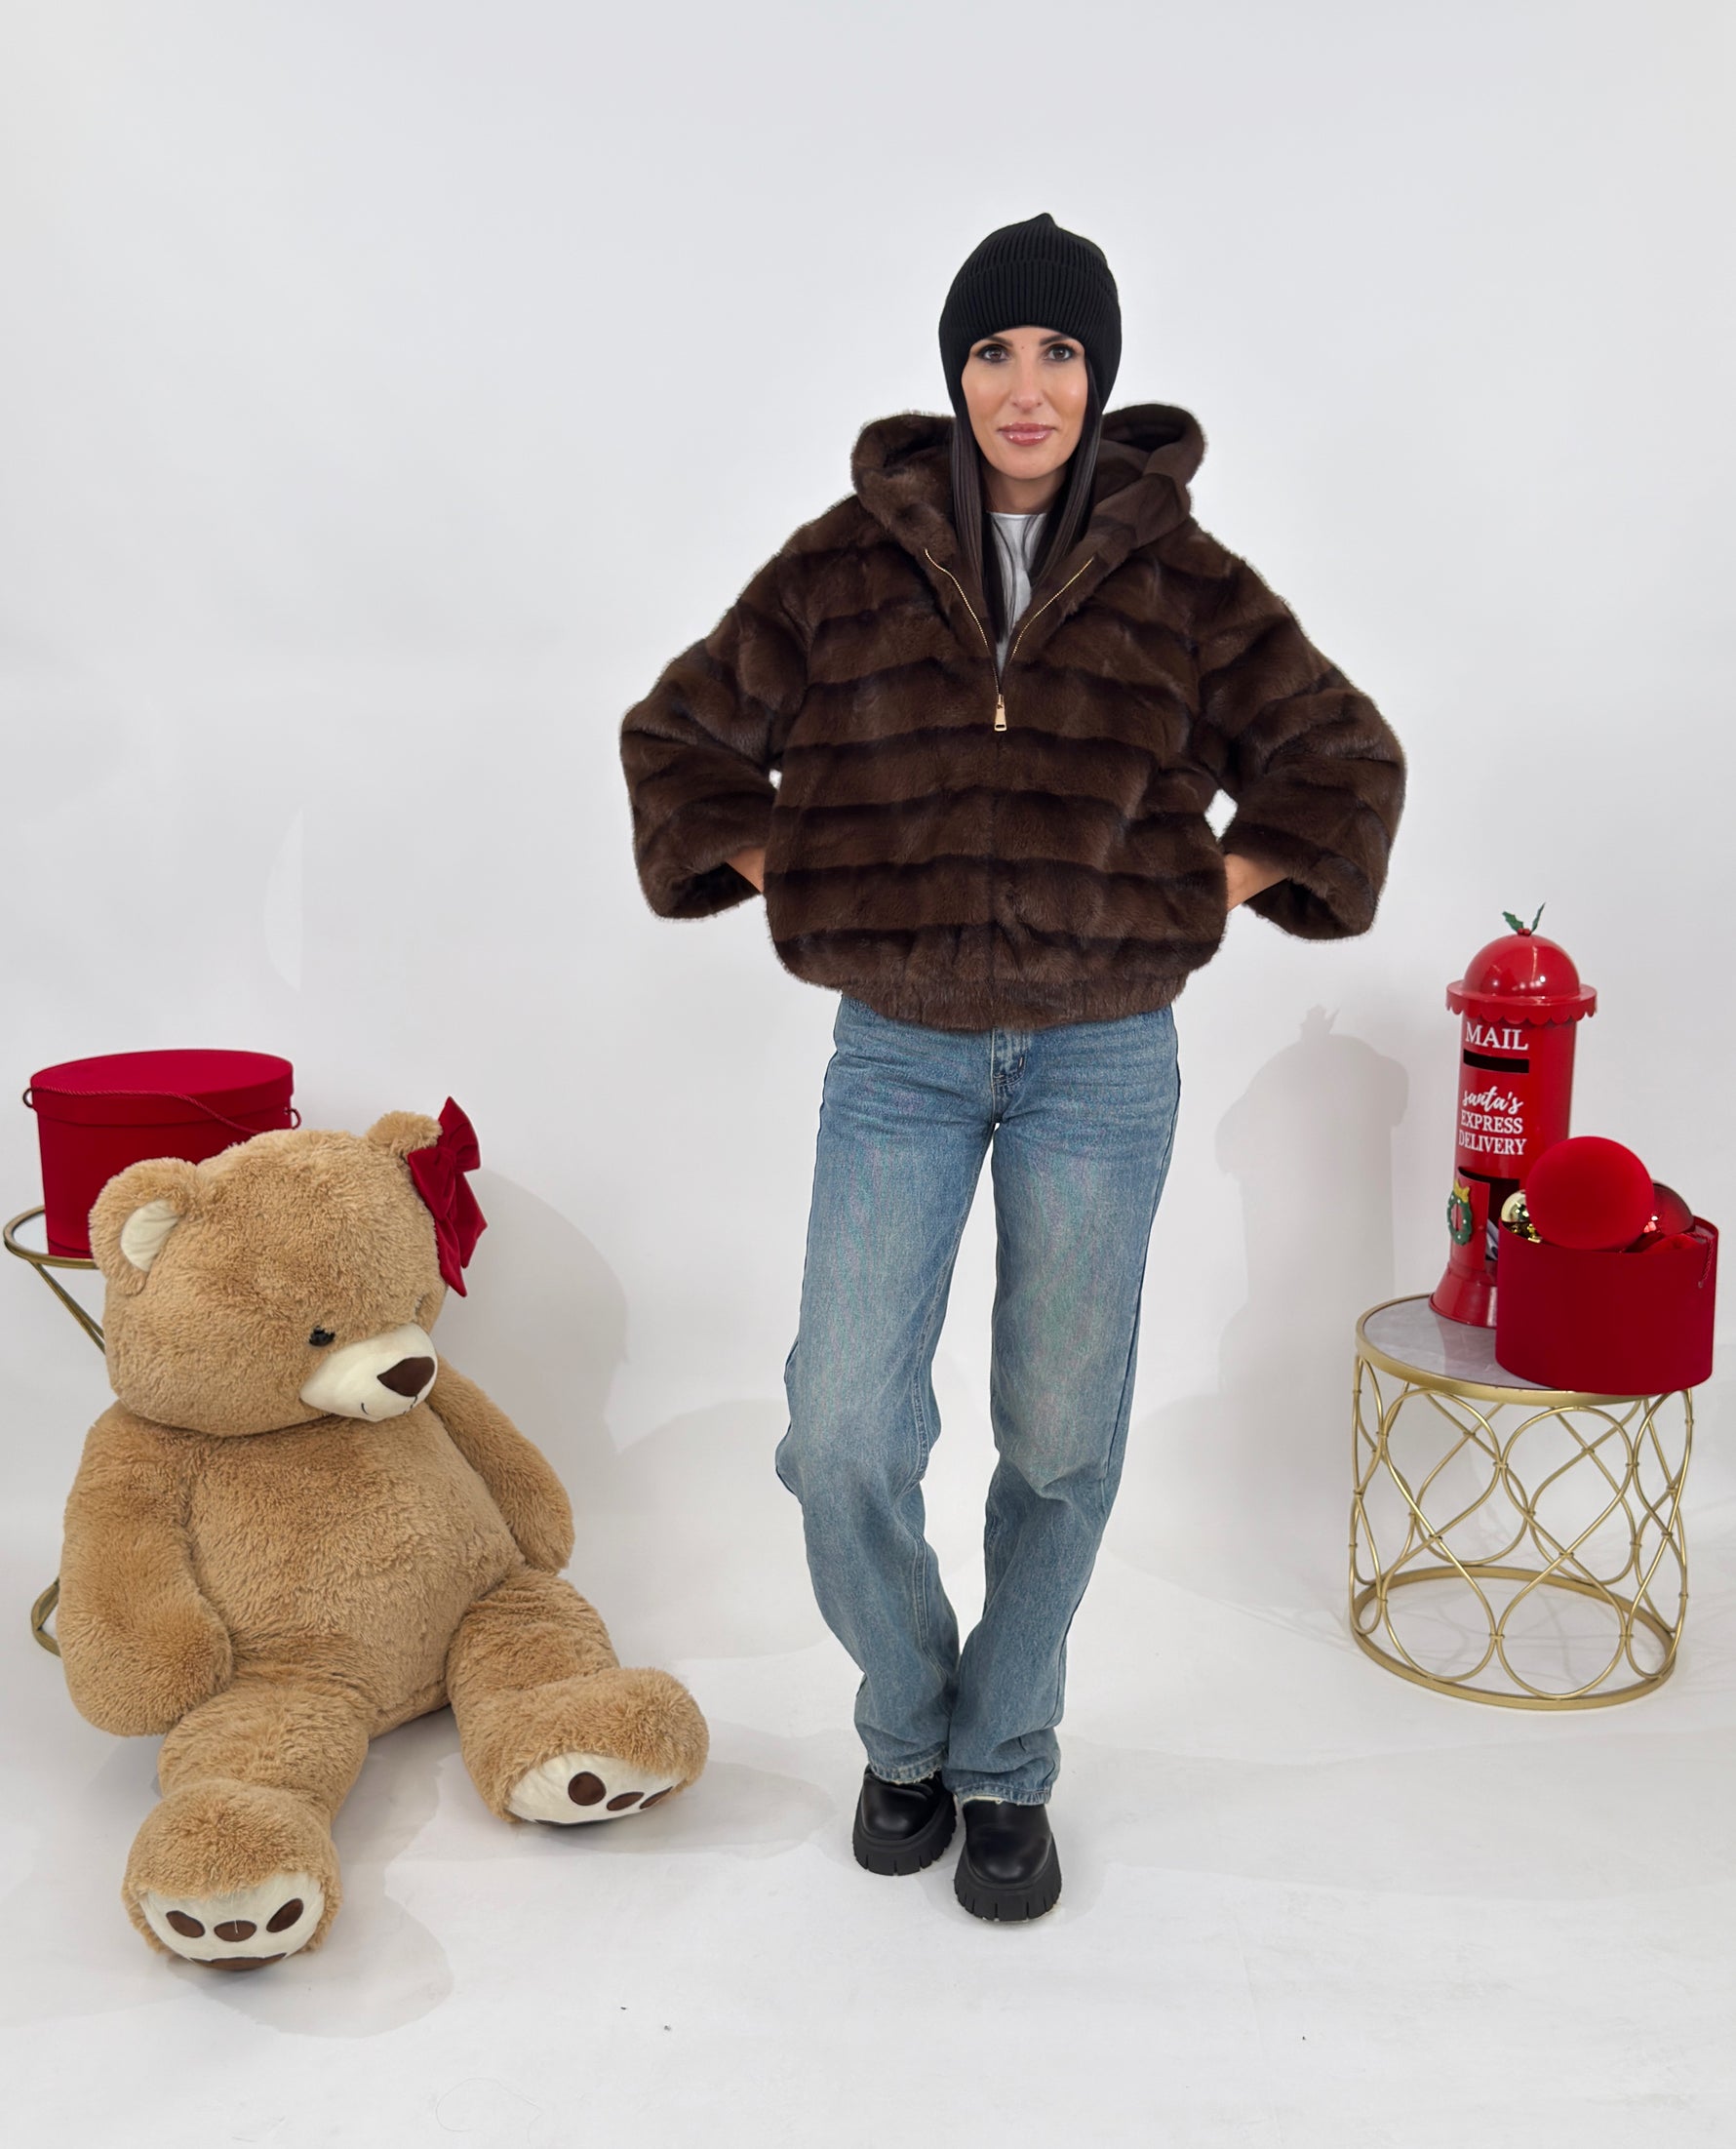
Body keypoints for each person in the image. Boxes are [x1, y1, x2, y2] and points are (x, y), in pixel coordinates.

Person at [620, 213, 1404, 1923]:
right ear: (955, 373)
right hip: (897, 1054)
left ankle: (1003, 1761)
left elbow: (1342, 761)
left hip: (1101, 1062)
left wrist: (1193, 888)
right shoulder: (847, 564)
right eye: (995, 352)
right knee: (841, 1433)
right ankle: (907, 1721)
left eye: (1059, 353)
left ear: (1100, 376)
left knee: (1057, 1440)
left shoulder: (1184, 581)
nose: (1027, 386)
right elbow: (678, 741)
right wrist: (815, 879)